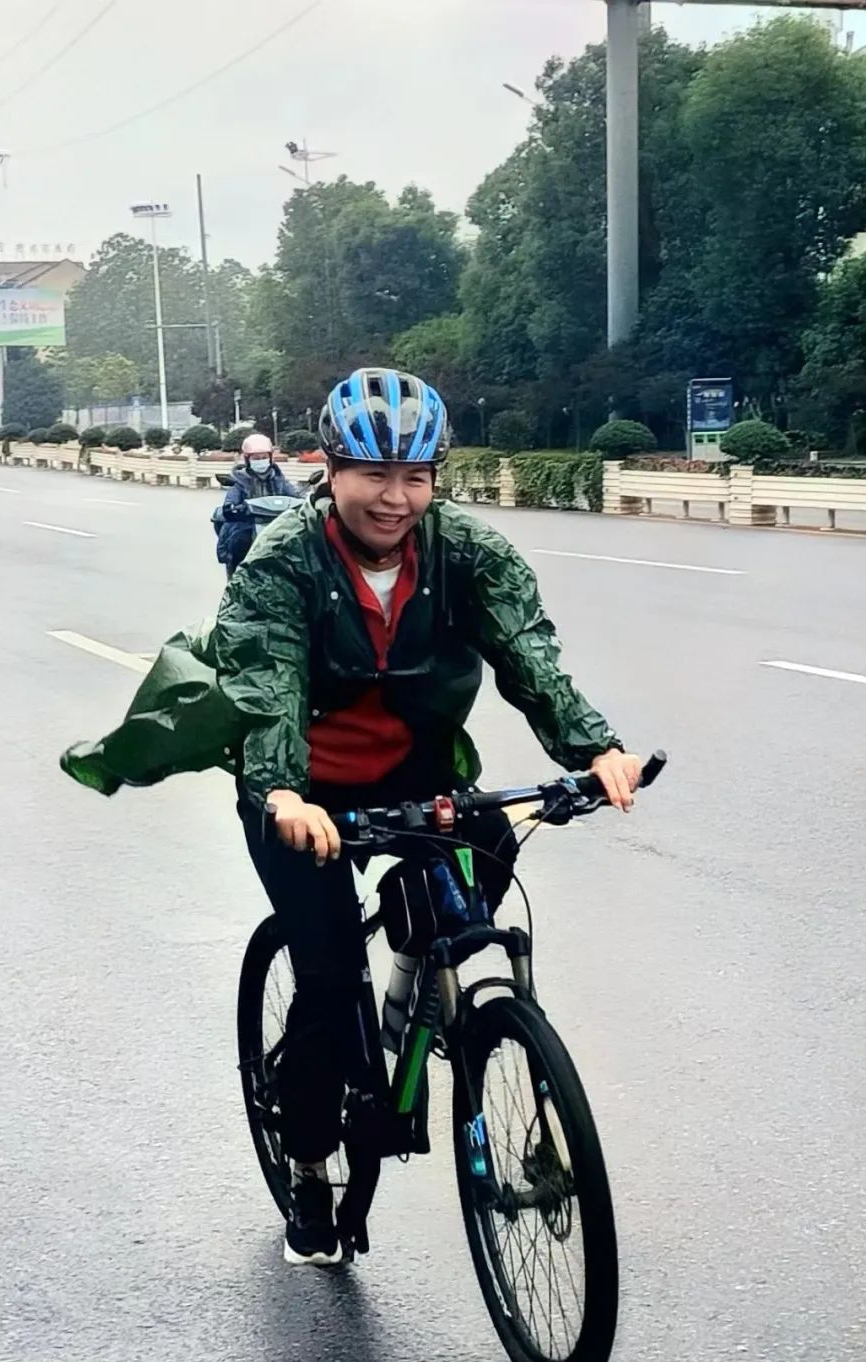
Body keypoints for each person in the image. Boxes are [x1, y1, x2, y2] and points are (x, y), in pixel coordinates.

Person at [210, 368, 642, 1266]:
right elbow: (265, 683)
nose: (396, 497)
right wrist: (283, 793)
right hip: (307, 796)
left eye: (417, 477)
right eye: (373, 474)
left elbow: (529, 654)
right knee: (328, 988)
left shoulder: (467, 552)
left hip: (420, 778)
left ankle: (448, 1007)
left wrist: (592, 749)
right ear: (329, 468)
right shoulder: (282, 559)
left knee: (480, 896)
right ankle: (309, 1161)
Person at [215, 433, 301, 578]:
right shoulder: (239, 481)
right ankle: (237, 579)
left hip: (277, 527)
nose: (261, 461)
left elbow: (294, 496)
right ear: (247, 459)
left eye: (264, 457)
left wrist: (304, 501)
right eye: (256, 458)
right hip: (249, 526)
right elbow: (231, 502)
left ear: (270, 457)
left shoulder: (279, 479)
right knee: (238, 540)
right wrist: (234, 508)